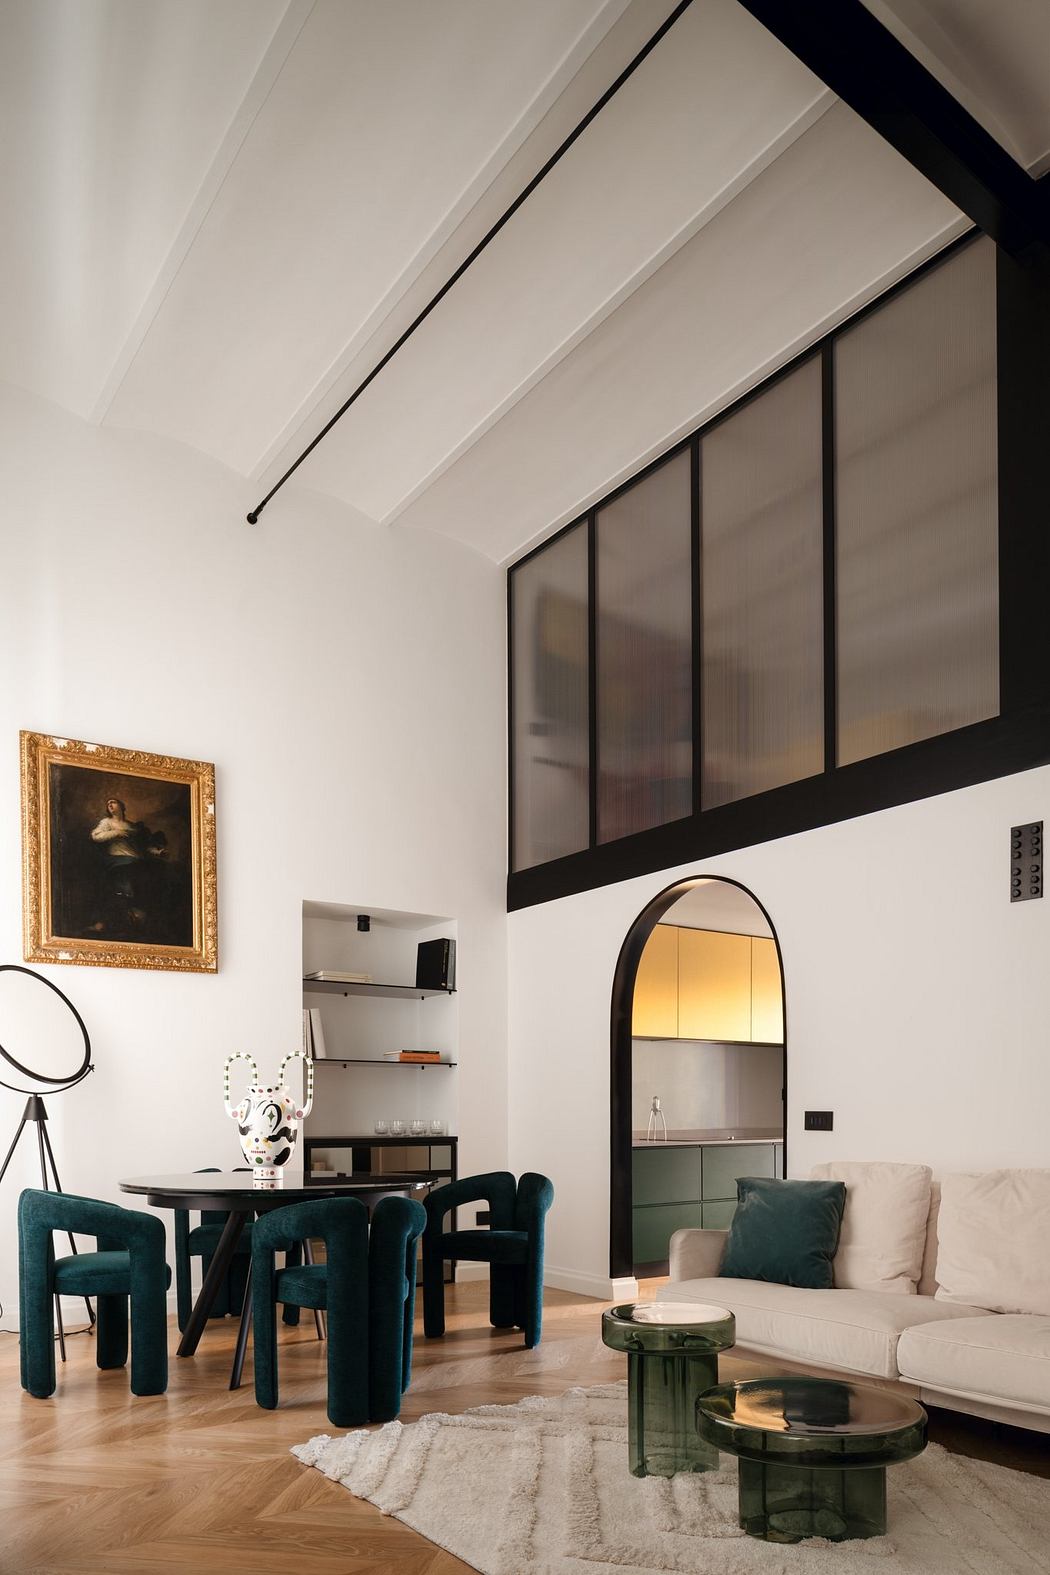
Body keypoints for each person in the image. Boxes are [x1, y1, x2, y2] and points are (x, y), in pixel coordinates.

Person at [87, 797, 166, 931]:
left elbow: (142, 847)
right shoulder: (107, 822)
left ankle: (140, 918)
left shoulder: (132, 826)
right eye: (108, 803)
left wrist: (158, 852)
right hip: (118, 860)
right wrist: (116, 832)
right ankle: (121, 917)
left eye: (113, 802)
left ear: (122, 807)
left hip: (136, 861)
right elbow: (95, 836)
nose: (110, 804)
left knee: (152, 881)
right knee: (124, 889)